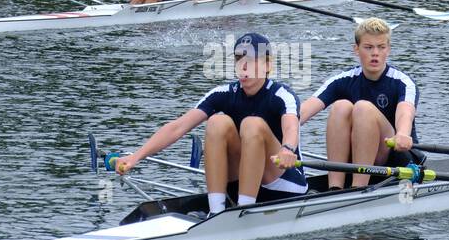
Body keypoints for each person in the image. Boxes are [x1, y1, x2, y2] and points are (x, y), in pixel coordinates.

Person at [114, 32, 306, 213]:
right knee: (216, 122)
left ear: (267, 65)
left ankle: (243, 210)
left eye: (250, 61)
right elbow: (177, 127)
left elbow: (291, 126)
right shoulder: (222, 94)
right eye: (239, 60)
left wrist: (287, 149)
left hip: (283, 184)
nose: (243, 67)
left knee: (252, 124)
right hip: (242, 184)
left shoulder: (282, 95)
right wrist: (135, 157)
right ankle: (216, 212)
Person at [298, 17, 420, 190]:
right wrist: (277, 132)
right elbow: (302, 112)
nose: (375, 53)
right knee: (341, 107)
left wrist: (403, 133)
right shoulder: (343, 80)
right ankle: (335, 188)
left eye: (381, 47)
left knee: (362, 107)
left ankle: (357, 189)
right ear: (356, 49)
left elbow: (405, 113)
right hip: (358, 159)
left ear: (389, 50)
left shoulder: (403, 82)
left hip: (397, 157)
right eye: (368, 47)